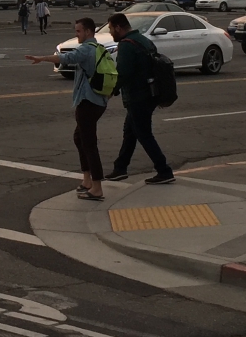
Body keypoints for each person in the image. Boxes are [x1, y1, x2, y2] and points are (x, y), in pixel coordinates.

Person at [27, 17, 107, 200]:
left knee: (89, 144)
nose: (76, 34)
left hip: (88, 101)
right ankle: (87, 180)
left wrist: (42, 58)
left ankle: (97, 187)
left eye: (79, 31)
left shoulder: (86, 49)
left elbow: (66, 58)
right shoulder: (98, 48)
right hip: (97, 100)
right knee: (80, 138)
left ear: (88, 32)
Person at [104, 13, 173, 184]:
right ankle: (120, 168)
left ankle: (164, 170)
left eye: (111, 28)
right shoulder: (144, 40)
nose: (110, 32)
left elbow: (123, 73)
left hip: (137, 97)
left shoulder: (126, 45)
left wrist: (112, 90)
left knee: (143, 134)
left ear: (118, 27)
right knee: (130, 132)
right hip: (151, 94)